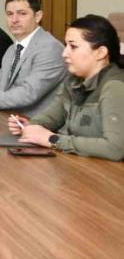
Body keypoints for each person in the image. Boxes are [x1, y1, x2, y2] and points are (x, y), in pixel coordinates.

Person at [9, 14, 124, 161]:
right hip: (80, 164)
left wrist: (53, 140)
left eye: (73, 46)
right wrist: (30, 126)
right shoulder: (73, 81)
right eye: (66, 45)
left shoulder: (115, 86)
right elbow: (51, 118)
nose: (64, 53)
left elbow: (115, 149)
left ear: (100, 53)